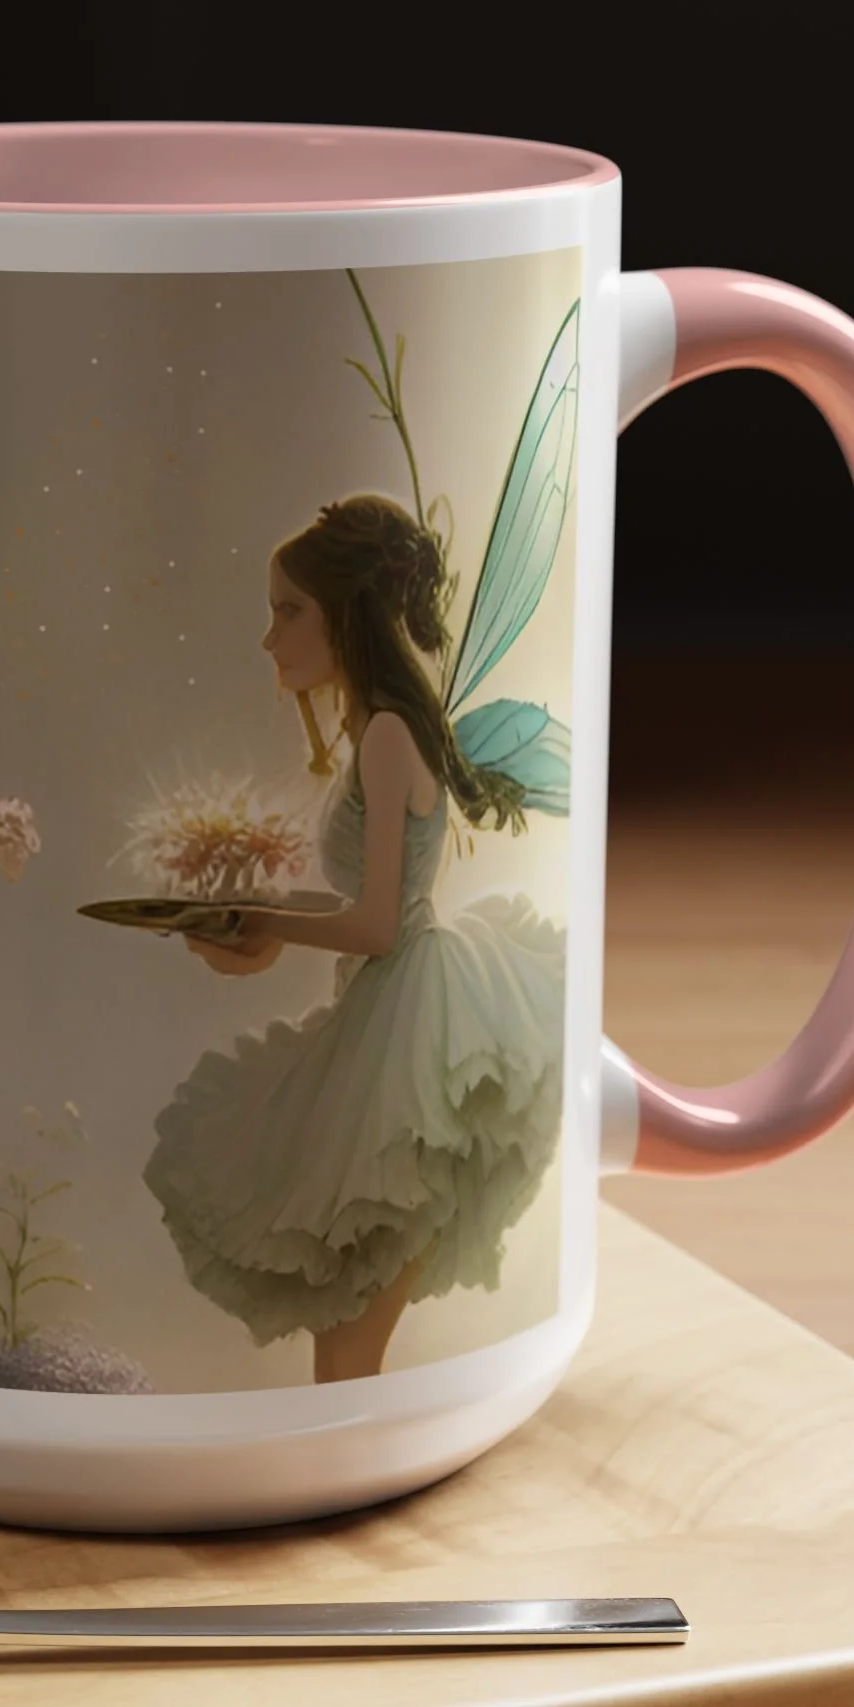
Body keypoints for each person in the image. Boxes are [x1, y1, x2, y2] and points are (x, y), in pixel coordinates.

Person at [143, 494, 565, 1382]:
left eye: (288, 610)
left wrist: (266, 922)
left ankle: (348, 1471)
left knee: (350, 1334)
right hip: (388, 1015)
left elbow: (378, 924)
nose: (270, 637)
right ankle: (341, 1462)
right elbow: (377, 900)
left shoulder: (385, 735)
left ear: (347, 613)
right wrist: (259, 911)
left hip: (406, 1036)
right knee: (344, 1328)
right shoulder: (382, 729)